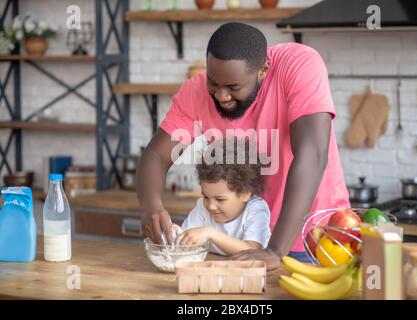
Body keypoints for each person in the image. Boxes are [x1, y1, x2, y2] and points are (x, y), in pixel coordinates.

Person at [137, 22, 350, 270]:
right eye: (213, 83)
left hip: (315, 243)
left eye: (233, 87)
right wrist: (151, 207)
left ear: (263, 70)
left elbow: (312, 154)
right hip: (246, 248)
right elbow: (156, 156)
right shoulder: (195, 91)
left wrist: (275, 250)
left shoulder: (298, 65)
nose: (221, 96)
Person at [177, 139, 271, 256]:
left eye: (220, 199)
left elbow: (253, 251)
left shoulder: (256, 209)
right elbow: (184, 240)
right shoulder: (202, 206)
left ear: (245, 194)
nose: (211, 206)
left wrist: (211, 234)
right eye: (206, 197)